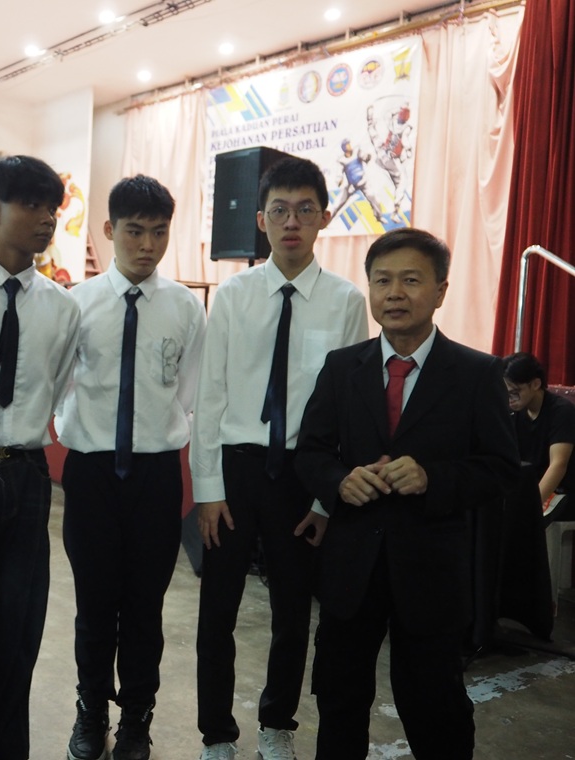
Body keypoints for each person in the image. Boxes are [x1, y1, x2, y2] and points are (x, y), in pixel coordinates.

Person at [296, 227, 519, 759]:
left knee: (435, 706)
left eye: (411, 281)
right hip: (352, 567)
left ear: (440, 291)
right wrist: (339, 481)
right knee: (339, 699)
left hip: (431, 570)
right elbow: (311, 452)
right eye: (382, 281)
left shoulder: (476, 373)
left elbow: (500, 470)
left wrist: (432, 478)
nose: (394, 293)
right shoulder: (341, 367)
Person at [192, 156, 368, 760]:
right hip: (236, 469)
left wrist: (325, 499)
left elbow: (349, 410)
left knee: (293, 611)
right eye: (279, 210)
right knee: (217, 609)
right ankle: (216, 732)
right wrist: (208, 490)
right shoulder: (234, 296)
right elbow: (210, 395)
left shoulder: (345, 301)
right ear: (261, 219)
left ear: (324, 218)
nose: (291, 222)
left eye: (304, 210)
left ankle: (277, 723)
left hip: (302, 473)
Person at [56, 174, 206, 760]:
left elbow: (189, 395)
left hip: (155, 477)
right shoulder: (77, 304)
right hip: (91, 475)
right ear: (108, 230)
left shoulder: (184, 307)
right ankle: (91, 710)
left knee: (146, 608)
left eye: (159, 232)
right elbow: (57, 387)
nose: (147, 245)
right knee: (95, 606)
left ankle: (137, 719)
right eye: (135, 231)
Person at [0, 155, 81, 759]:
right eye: (31, 205)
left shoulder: (62, 308)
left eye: (52, 209)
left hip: (29, 475)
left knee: (19, 632)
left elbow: (56, 389)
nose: (46, 219)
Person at [503, 351, 575, 521]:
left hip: (561, 491)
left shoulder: (562, 412)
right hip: (530, 487)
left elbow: (558, 465)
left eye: (515, 392)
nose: (510, 399)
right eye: (506, 393)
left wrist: (530, 506)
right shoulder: (514, 412)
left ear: (535, 384)